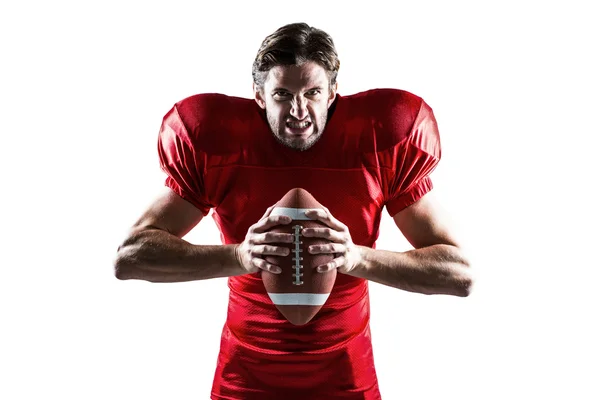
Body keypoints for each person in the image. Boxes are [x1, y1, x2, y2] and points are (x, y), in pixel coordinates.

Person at [114, 22, 473, 400]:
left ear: (333, 92)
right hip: (244, 378)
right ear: (259, 94)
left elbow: (458, 274)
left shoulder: (377, 139)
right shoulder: (218, 142)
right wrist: (239, 255)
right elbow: (131, 257)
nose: (298, 110)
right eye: (283, 94)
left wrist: (355, 258)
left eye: (313, 92)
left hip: (347, 378)